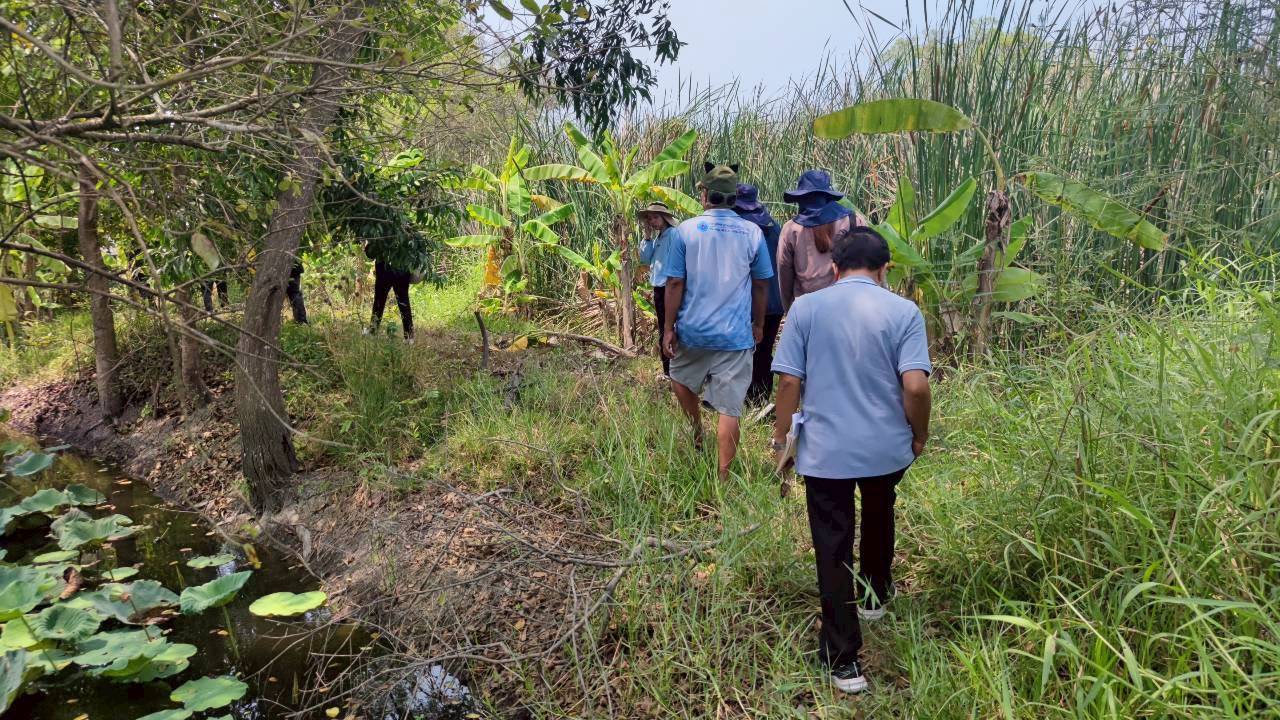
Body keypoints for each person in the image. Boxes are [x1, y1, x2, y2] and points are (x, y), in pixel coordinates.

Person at [770, 226, 932, 695]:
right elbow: (917, 386)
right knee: (881, 507)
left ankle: (843, 660)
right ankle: (876, 594)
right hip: (886, 448)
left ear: (835, 269)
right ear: (885, 270)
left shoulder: (806, 309)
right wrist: (919, 435)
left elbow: (787, 384)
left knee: (832, 542)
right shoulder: (904, 311)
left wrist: (782, 438)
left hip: (826, 452)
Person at [662, 163, 774, 482]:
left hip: (692, 330)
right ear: (734, 198)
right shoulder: (752, 232)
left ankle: (697, 429)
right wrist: (758, 324)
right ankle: (723, 476)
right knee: (730, 408)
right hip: (734, 335)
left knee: (681, 379)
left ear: (705, 194)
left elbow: (674, 283)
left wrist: (669, 328)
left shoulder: (686, 230)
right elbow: (762, 283)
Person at [777, 170, 868, 311]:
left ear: (801, 199)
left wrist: (788, 308)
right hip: (847, 307)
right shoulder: (854, 220)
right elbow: (868, 263)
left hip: (807, 308)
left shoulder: (791, 229)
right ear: (828, 196)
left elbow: (784, 272)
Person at [733, 183, 784, 405]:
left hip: (751, 300)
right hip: (775, 299)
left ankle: (744, 400)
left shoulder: (742, 229)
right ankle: (761, 400)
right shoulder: (774, 226)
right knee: (764, 351)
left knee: (743, 353)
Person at [636, 201, 680, 378]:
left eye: (655, 217)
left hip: (668, 288)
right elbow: (645, 259)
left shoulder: (673, 235)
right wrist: (646, 237)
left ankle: (672, 370)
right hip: (659, 288)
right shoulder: (659, 237)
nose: (652, 222)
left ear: (665, 218)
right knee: (664, 326)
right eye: (649, 219)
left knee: (669, 327)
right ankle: (668, 369)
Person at [366, 256, 415, 342]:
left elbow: (370, 253)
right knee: (403, 301)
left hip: (384, 267)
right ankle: (409, 337)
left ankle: (373, 331)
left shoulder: (380, 241)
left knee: (379, 301)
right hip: (402, 266)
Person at [285, 260, 308, 324]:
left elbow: (301, 269)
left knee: (296, 297)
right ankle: (301, 321)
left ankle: (301, 321)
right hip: (291, 276)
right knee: (296, 296)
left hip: (293, 277)